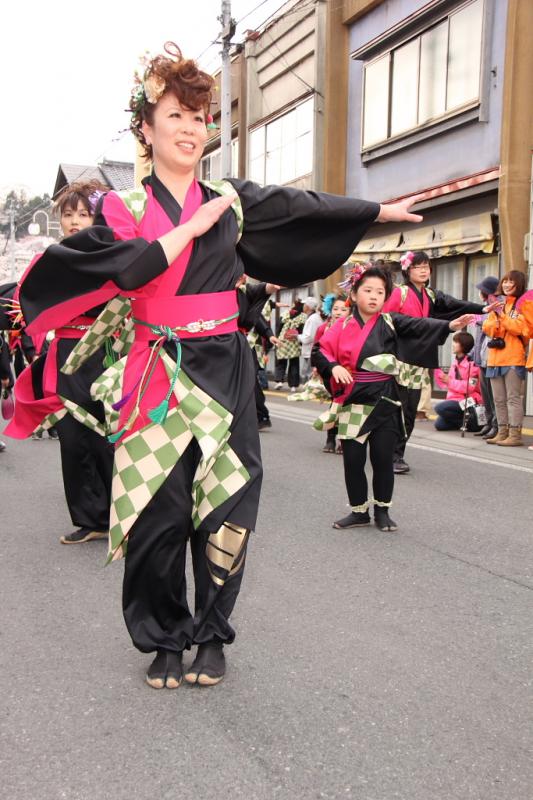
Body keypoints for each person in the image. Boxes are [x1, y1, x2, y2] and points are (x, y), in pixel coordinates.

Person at [20, 42, 424, 690]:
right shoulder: (121, 210)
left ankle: (211, 634)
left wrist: (372, 213)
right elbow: (127, 271)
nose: (188, 128)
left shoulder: (232, 201)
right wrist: (188, 227)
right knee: (159, 511)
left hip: (225, 367)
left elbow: (303, 211)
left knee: (226, 505)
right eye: (175, 115)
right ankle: (162, 637)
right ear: (145, 129)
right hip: (154, 371)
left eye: (198, 117)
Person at [313, 263, 473, 531]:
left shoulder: (390, 321)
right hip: (354, 398)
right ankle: (359, 511)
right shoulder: (340, 325)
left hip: (385, 399)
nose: (374, 296)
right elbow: (320, 350)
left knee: (382, 458)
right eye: (368, 290)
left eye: (380, 292)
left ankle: (383, 512)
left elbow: (419, 324)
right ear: (353, 295)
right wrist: (333, 367)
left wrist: (448, 325)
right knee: (352, 460)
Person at [5, 180, 115, 544]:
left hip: (106, 351)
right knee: (72, 438)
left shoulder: (111, 256)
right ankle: (92, 518)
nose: (74, 221)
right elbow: (22, 303)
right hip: (65, 354)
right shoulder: (46, 260)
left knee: (109, 436)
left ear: (97, 217)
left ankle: (121, 513)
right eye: (68, 214)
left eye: (84, 214)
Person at [383, 250, 487, 474]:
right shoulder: (399, 292)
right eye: (417, 266)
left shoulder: (430, 295)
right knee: (397, 408)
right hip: (399, 357)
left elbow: (453, 304)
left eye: (426, 266)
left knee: (410, 409)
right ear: (407, 271)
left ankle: (397, 454)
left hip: (419, 358)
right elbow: (392, 320)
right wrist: (431, 325)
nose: (423, 270)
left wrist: (482, 309)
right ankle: (390, 454)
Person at [483, 270, 529, 447]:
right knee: (498, 399)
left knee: (513, 398)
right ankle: (502, 432)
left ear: (519, 284)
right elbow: (488, 328)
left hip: (513, 357)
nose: (507, 285)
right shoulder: (498, 304)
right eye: (505, 282)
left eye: (511, 282)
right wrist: (496, 318)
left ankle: (515, 435)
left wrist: (501, 316)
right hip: (494, 358)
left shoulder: (521, 305)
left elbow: (521, 329)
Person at [433, 332, 481, 431]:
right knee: (439, 425)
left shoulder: (473, 364)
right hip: (455, 400)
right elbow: (451, 383)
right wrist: (443, 380)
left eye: (456, 342)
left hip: (469, 400)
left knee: (439, 408)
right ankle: (466, 422)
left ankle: (471, 423)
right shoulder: (455, 362)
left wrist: (449, 381)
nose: (453, 344)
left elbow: (470, 387)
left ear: (463, 345)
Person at [472, 276, 499, 439]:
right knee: (486, 395)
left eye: (482, 290)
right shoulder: (484, 308)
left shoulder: (496, 308)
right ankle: (488, 423)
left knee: (494, 395)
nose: (480, 293)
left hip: (492, 357)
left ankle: (495, 425)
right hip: (482, 356)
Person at [274, 299, 307, 391]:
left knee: (281, 362)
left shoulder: (284, 314)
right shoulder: (303, 317)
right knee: (294, 363)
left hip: (282, 340)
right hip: (294, 341)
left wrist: (276, 339)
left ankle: (279, 381)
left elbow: (279, 328)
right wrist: (301, 343)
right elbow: (302, 331)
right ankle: (293, 385)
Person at [298, 296, 322, 382]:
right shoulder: (314, 317)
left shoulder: (312, 319)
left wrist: (296, 336)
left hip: (310, 351)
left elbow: (308, 338)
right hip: (310, 351)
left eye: (304, 304)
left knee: (308, 375)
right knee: (308, 374)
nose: (303, 306)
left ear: (307, 307)